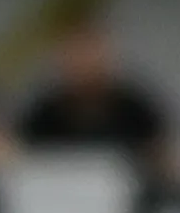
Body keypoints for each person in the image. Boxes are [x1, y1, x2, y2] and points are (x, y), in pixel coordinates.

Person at [14, 10, 171, 164]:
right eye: (75, 51)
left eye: (92, 50)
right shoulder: (43, 113)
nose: (84, 62)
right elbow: (18, 150)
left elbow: (163, 150)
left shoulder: (136, 110)